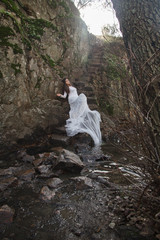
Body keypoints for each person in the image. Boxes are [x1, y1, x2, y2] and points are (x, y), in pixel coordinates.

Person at [57, 78, 102, 145]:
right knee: (83, 95)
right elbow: (65, 96)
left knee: (83, 97)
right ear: (65, 83)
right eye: (66, 81)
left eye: (68, 80)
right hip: (72, 99)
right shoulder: (66, 88)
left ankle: (82, 112)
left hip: (76, 97)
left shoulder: (71, 86)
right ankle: (80, 113)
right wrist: (60, 95)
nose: (68, 81)